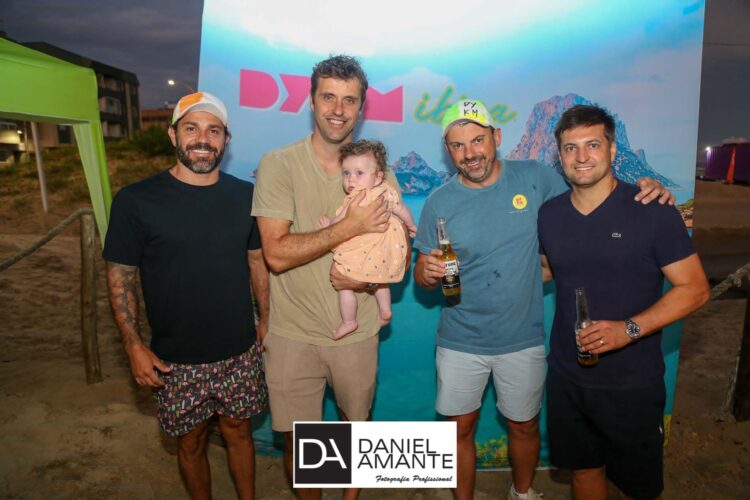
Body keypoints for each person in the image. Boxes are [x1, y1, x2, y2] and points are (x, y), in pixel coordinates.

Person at [413, 99, 673, 500]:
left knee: (525, 425)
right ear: (448, 150)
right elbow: (421, 273)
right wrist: (426, 273)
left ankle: (522, 492)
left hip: (524, 339)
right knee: (458, 429)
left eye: (478, 140)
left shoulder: (535, 178)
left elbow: (590, 190)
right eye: (458, 145)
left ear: (496, 137)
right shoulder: (438, 202)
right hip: (460, 340)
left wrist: (644, 186)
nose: (470, 153)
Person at [252, 55, 404, 500]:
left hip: (356, 335)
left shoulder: (380, 175)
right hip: (292, 333)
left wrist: (361, 283)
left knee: (355, 431)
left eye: (349, 100)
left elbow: (397, 256)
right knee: (301, 445)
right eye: (329, 97)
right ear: (312, 101)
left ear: (362, 107)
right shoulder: (279, 164)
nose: (338, 109)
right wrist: (350, 226)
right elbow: (276, 254)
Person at [538, 104, 709, 500]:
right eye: (570, 148)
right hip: (567, 375)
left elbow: (696, 288)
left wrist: (628, 330)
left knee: (639, 487)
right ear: (559, 155)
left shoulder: (653, 211)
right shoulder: (549, 215)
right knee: (583, 472)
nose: (582, 157)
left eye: (593, 145)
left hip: (632, 382)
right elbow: (547, 270)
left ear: (613, 150)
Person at [103, 92, 268, 500]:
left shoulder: (246, 197)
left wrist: (266, 318)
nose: (202, 140)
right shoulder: (135, 201)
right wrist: (133, 345)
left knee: (239, 433)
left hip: (239, 350)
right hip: (174, 358)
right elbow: (121, 277)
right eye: (191, 129)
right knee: (191, 442)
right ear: (173, 135)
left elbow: (257, 262)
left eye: (214, 131)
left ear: (226, 140)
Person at [319, 139, 416, 339]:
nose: (351, 179)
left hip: (364, 249)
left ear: (378, 177)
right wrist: (411, 225)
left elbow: (340, 221)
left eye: (359, 173)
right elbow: (401, 210)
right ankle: (385, 310)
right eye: (346, 173)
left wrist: (328, 226)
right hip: (385, 249)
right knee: (380, 280)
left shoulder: (355, 199)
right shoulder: (386, 192)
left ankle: (349, 321)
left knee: (344, 284)